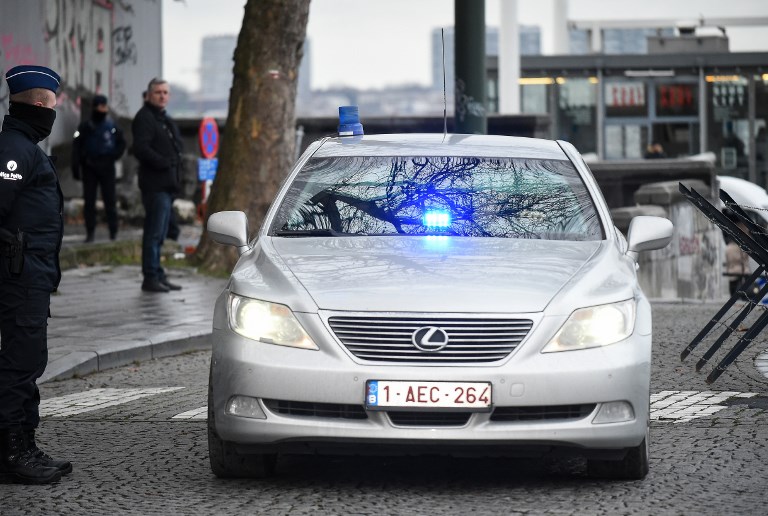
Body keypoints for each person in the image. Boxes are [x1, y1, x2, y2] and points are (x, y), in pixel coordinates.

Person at [0, 65, 72, 484]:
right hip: (19, 274)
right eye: (53, 105)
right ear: (43, 104)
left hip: (31, 273)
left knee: (28, 360)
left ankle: (24, 443)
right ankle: (12, 451)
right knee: (19, 363)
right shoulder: (15, 149)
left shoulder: (24, 146)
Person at [131, 78, 183, 293]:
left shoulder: (164, 119)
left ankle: (158, 273)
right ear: (149, 94)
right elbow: (140, 148)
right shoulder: (144, 118)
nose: (162, 96)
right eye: (158, 92)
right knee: (153, 234)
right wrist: (164, 162)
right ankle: (150, 277)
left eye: (165, 92)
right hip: (155, 185)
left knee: (161, 234)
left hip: (167, 186)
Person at [71, 95, 126, 242]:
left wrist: (112, 156)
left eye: (104, 106)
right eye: (100, 106)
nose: (103, 109)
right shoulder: (85, 126)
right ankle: (90, 233)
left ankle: (113, 232)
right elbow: (77, 146)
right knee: (89, 202)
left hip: (107, 166)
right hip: (89, 167)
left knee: (110, 201)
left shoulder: (112, 125)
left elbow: (122, 143)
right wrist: (76, 166)